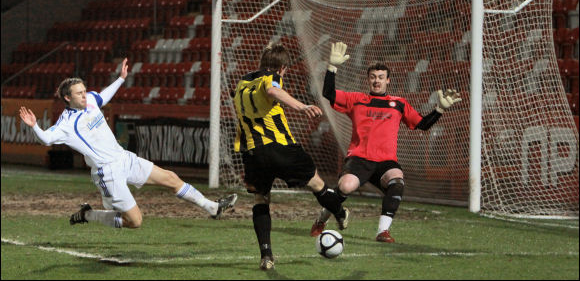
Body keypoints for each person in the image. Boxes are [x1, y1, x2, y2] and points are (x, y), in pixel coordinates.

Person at [19, 58, 237, 230]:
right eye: (79, 93)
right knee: (135, 221)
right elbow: (47, 139)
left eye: (85, 91)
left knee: (171, 178)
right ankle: (88, 214)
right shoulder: (66, 124)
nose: (85, 96)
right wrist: (34, 126)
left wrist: (121, 79)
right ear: (67, 98)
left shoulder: (91, 100)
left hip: (124, 158)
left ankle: (213, 208)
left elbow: (103, 96)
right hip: (108, 173)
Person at [310, 42, 462, 243]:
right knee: (345, 187)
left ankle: (382, 232)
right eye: (373, 77)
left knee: (397, 181)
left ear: (388, 80)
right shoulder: (357, 99)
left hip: (385, 161)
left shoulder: (399, 104)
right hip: (360, 158)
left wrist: (440, 109)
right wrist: (332, 67)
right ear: (368, 79)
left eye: (381, 77)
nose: (377, 81)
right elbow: (329, 93)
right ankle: (322, 219)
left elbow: (422, 125)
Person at [233, 43, 349, 270]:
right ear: (283, 68)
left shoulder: (242, 83)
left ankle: (266, 255)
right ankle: (339, 211)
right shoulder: (272, 77)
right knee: (317, 184)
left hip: (252, 153)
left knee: (261, 200)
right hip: (280, 148)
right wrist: (301, 106)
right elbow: (273, 90)